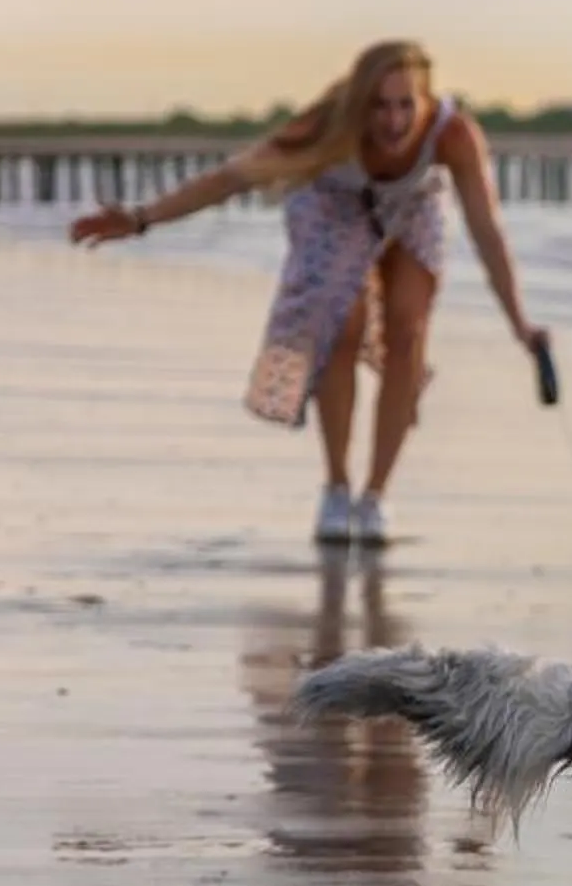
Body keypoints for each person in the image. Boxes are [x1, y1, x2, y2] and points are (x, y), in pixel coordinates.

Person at [69, 40, 547, 546]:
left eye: (407, 104)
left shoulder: (452, 134)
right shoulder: (327, 126)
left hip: (412, 204)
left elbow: (487, 232)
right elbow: (233, 177)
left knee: (408, 328)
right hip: (331, 201)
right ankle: (337, 486)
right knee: (342, 320)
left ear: (426, 99)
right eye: (380, 106)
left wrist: (520, 323)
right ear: (360, 103)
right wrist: (142, 219)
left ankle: (376, 497)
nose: (393, 120)